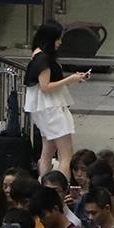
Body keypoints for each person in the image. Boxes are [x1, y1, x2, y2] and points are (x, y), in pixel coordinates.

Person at [24, 21, 90, 178]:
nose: (60, 42)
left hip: (44, 109)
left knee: (47, 151)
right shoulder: (43, 59)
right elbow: (45, 86)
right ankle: (61, 185)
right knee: (66, 154)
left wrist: (72, 79)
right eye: (57, 39)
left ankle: (44, 183)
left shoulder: (38, 55)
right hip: (51, 108)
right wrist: (70, 79)